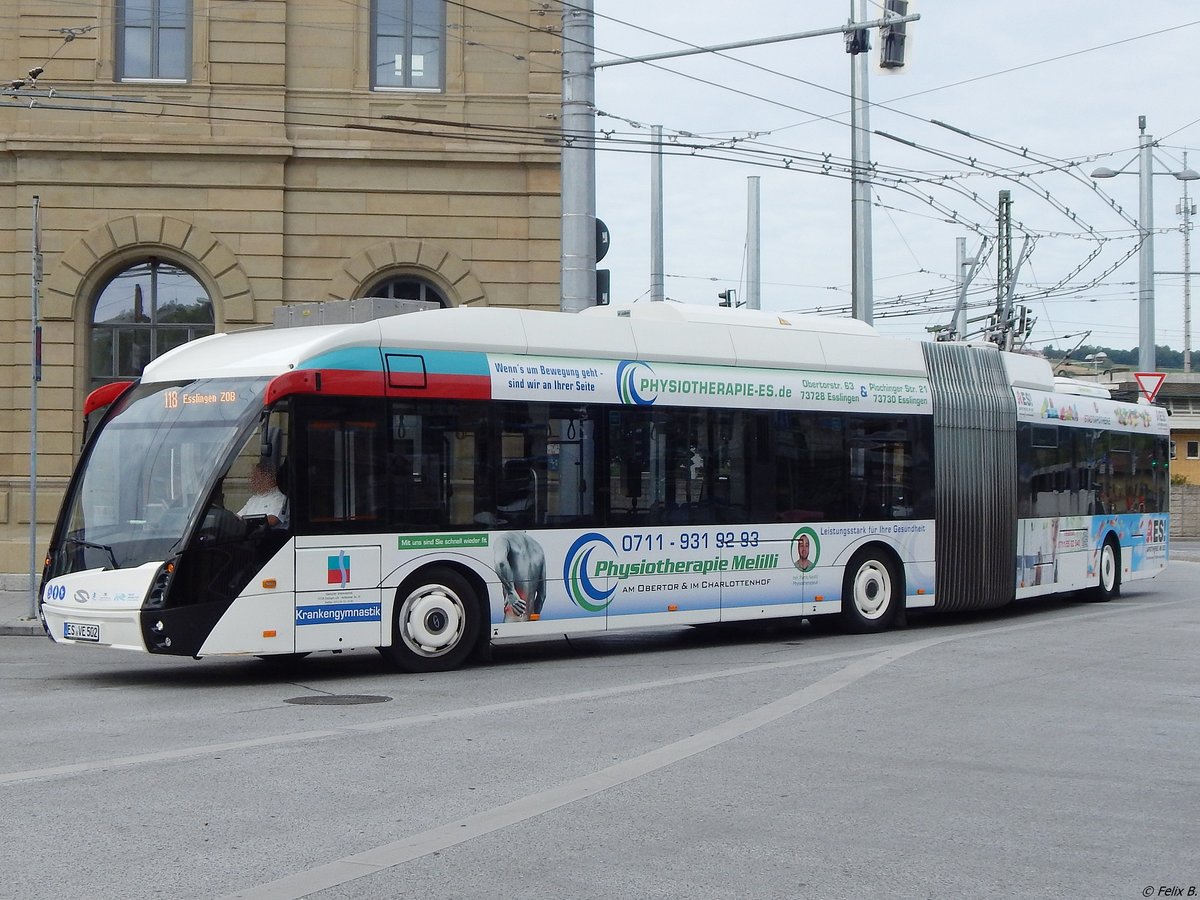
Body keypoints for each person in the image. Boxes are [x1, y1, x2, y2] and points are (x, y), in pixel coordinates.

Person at [238, 462, 288, 527]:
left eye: (256, 477)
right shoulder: (254, 498)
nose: (253, 480)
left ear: (268, 477)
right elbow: (239, 516)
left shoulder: (280, 497)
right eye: (253, 476)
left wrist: (247, 521)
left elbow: (273, 520)